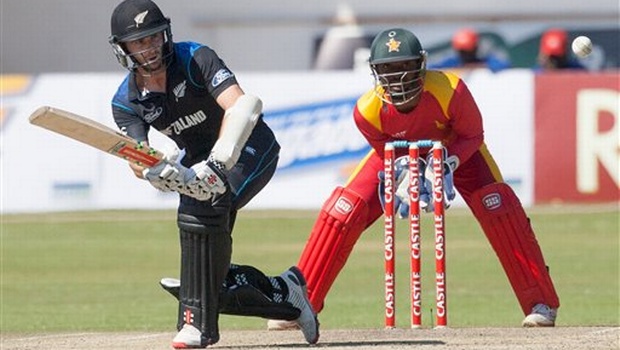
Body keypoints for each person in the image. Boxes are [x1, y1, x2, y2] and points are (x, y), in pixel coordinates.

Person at [268, 28, 559, 331]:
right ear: (375, 72)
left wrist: (446, 163)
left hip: (456, 150)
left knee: (498, 207)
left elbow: (472, 135)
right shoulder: (367, 111)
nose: (398, 78)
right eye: (388, 69)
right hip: (400, 153)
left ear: (421, 65)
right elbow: (384, 150)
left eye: (404, 67)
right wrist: (406, 171)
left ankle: (540, 302)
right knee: (341, 210)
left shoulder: (450, 89)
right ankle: (299, 303)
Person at [108, 0, 318, 348]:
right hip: (198, 160)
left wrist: (218, 162)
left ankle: (197, 319)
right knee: (212, 273)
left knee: (206, 203)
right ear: (124, 48)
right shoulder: (126, 101)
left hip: (250, 148)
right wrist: (157, 170)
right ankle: (283, 293)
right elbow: (136, 157)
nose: (150, 47)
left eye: (154, 37)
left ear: (166, 34)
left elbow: (242, 105)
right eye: (139, 42)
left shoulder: (196, 58)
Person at [430, 28, 510, 72]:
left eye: (469, 51)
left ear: (475, 48)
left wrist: (477, 67)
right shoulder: (452, 62)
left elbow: (503, 65)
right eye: (463, 51)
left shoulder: (484, 60)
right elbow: (431, 68)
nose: (466, 55)